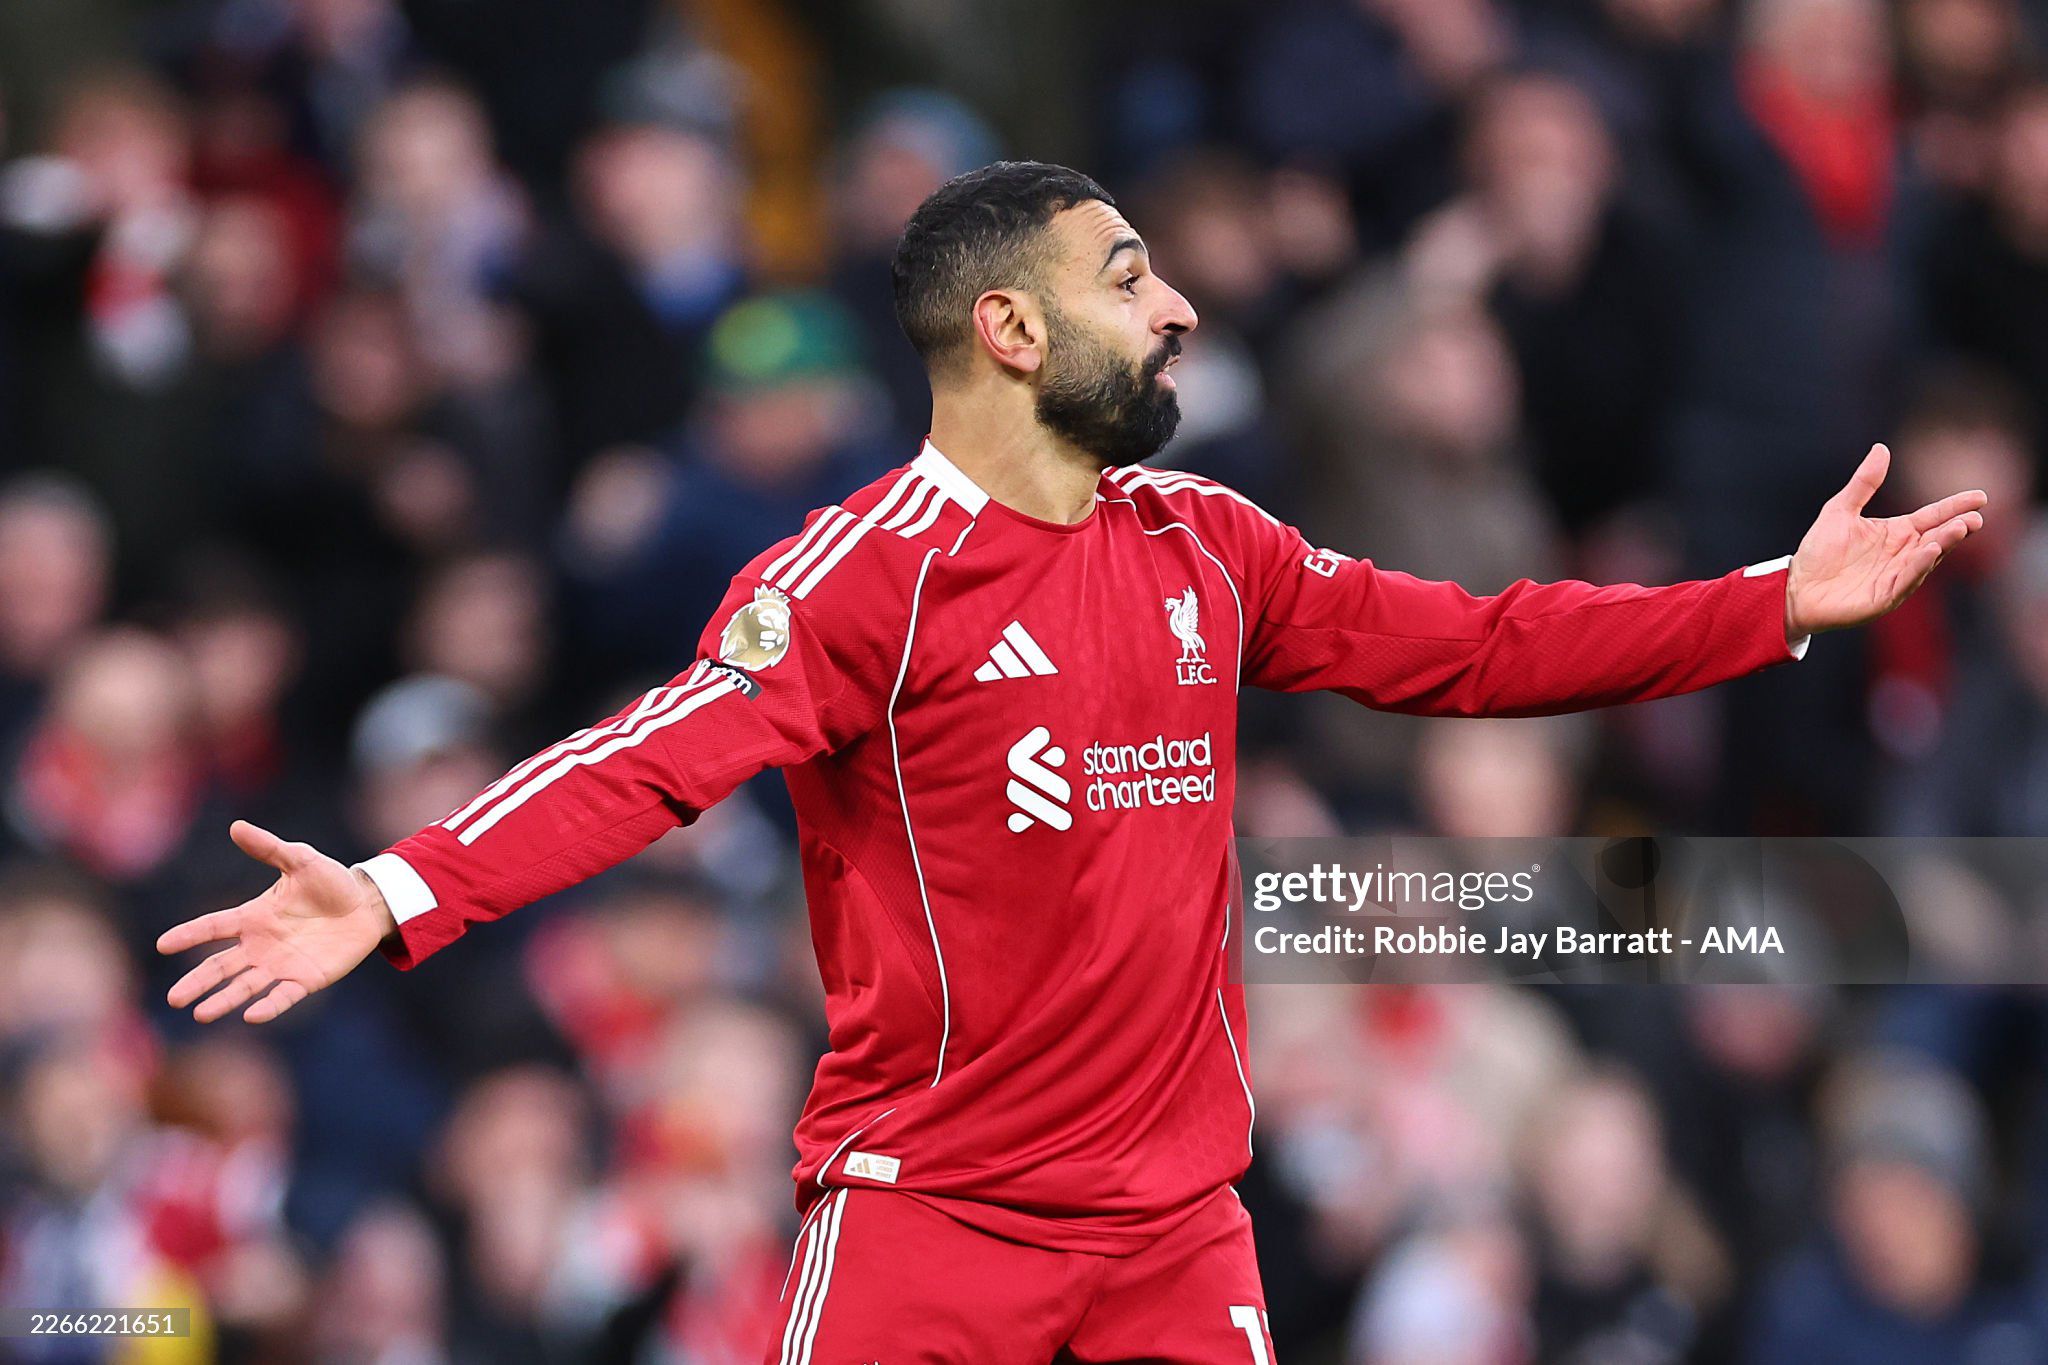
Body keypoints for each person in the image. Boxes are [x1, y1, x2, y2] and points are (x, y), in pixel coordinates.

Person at [156, 161, 1987, 1361]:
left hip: (1179, 1237)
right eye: (1131, 275)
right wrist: (402, 887)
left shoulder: (1208, 538)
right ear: (1011, 331)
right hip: (925, 1226)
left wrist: (1774, 604)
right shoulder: (864, 578)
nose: (1178, 305)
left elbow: (1480, 643)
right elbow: (650, 759)